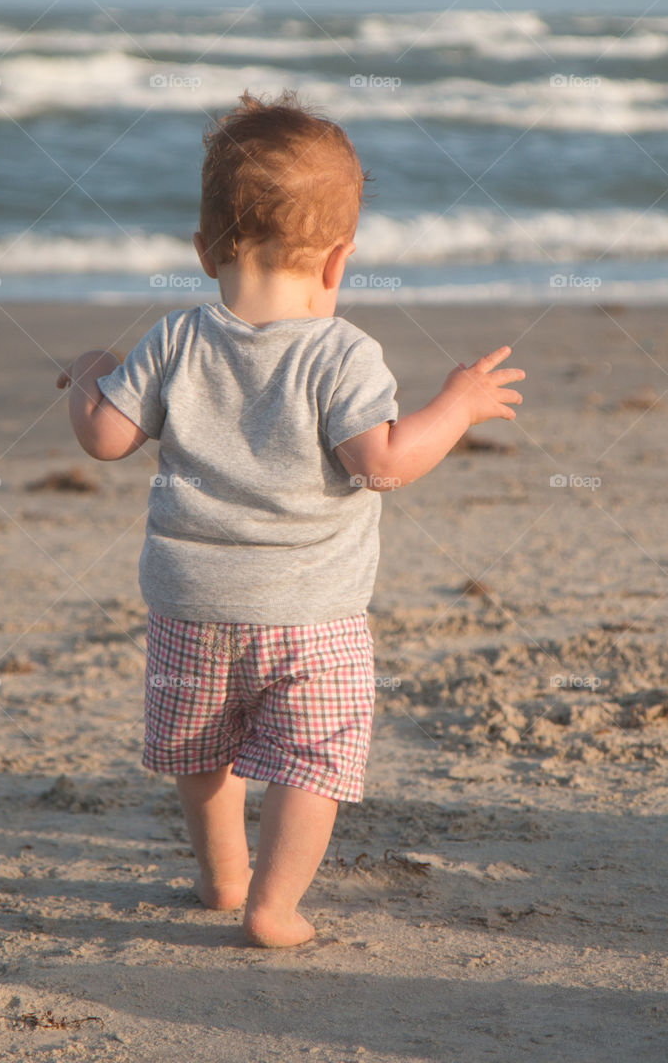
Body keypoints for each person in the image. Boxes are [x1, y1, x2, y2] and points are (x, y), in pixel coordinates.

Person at [56, 89, 525, 947]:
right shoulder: (341, 351)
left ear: (204, 250)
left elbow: (105, 440)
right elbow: (381, 463)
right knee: (314, 759)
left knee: (202, 750)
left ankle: (221, 875)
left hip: (191, 606)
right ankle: (272, 906)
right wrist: (455, 406)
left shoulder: (174, 338)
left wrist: (91, 374)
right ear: (339, 259)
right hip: (311, 615)